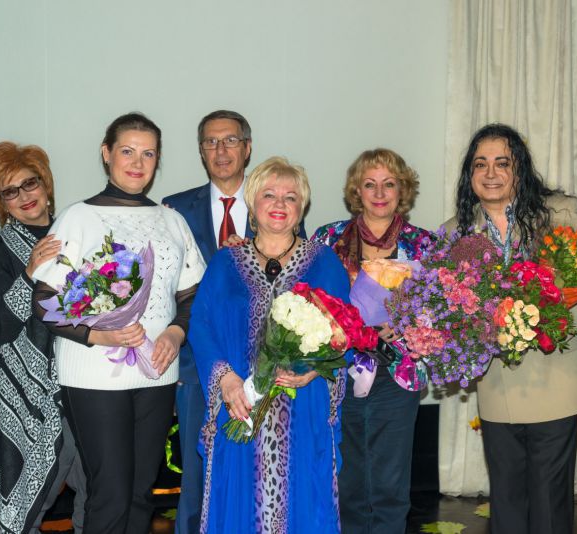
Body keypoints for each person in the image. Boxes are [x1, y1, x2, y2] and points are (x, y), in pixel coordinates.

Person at [33, 112, 206, 534]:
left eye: (149, 154)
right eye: (127, 151)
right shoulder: (77, 217)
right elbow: (44, 301)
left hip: (156, 372)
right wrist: (100, 333)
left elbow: (193, 296)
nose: (138, 162)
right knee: (110, 492)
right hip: (92, 374)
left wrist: (175, 332)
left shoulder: (172, 221)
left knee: (141, 493)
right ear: (106, 153)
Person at [443, 124, 577, 534]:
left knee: (549, 504)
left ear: (520, 169)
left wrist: (542, 326)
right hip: (498, 384)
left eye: (502, 163)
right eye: (480, 164)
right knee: (507, 502)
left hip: (556, 375)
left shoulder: (559, 213)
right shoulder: (455, 233)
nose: (491, 173)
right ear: (470, 174)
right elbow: (448, 310)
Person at [162, 110, 306, 533]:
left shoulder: (277, 203)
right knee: (198, 478)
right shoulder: (174, 209)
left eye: (230, 140)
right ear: (201, 150)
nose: (221, 150)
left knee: (261, 477)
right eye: (211, 141)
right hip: (199, 365)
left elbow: (299, 288)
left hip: (268, 368)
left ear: (247, 147)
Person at [189, 156, 349, 533]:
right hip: (240, 405)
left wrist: (314, 371)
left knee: (305, 501)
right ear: (252, 203)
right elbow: (200, 325)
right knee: (238, 502)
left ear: (302, 207)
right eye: (269, 195)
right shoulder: (226, 263)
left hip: (303, 406)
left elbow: (344, 332)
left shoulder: (324, 263)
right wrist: (226, 380)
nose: (280, 204)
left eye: (291, 197)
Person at [311, 148, 431, 533]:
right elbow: (308, 299)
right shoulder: (327, 239)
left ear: (402, 190)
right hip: (340, 371)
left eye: (389, 184)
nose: (379, 193)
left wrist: (411, 324)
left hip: (398, 373)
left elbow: (441, 309)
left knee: (390, 484)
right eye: (370, 184)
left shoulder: (424, 245)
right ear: (356, 191)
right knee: (347, 480)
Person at [0, 142, 86, 534]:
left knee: (99, 493)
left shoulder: (78, 234)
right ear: (1, 203)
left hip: (85, 384)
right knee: (29, 507)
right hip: (29, 401)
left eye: (30, 183)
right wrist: (28, 274)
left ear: (46, 184)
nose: (24, 196)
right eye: (10, 191)